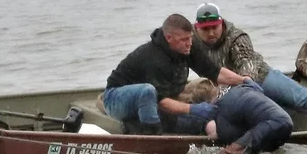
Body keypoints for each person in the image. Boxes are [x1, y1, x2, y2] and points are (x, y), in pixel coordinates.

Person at [190, 3, 307, 125]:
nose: (210, 33)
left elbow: (248, 71)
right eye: (205, 29)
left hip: (260, 78)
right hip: (225, 89)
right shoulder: (189, 41)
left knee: (304, 100)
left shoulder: (237, 38)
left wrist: (229, 91)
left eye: (214, 28)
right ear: (196, 28)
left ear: (221, 23)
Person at [103, 14, 248, 135]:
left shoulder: (188, 47)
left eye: (190, 37)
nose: (189, 43)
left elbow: (215, 72)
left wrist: (243, 80)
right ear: (169, 38)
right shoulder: (153, 58)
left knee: (192, 111)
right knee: (147, 92)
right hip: (116, 98)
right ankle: (150, 134)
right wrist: (193, 109)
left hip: (158, 99)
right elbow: (161, 101)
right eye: (184, 40)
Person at [177, 78, 294, 154]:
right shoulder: (240, 89)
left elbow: (218, 135)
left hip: (275, 124)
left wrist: (229, 149)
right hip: (283, 123)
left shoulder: (220, 111)